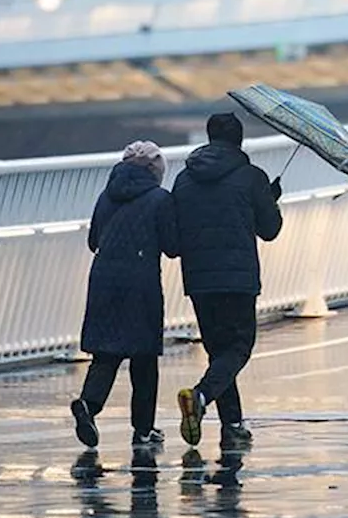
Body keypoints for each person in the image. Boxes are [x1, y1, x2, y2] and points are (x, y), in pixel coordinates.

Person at [172, 113, 283, 450]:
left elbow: (177, 233)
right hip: (237, 277)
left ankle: (232, 422)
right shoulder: (251, 177)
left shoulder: (184, 179)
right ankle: (201, 396)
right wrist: (270, 198)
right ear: (240, 140)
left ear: (209, 137)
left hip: (200, 279)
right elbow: (270, 230)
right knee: (238, 347)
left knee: (218, 350)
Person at [70, 140, 179, 449]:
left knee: (105, 354)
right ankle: (143, 430)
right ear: (155, 171)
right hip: (141, 281)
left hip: (103, 278)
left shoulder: (107, 196)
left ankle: (88, 406)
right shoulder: (160, 199)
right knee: (144, 359)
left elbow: (94, 240)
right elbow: (173, 247)